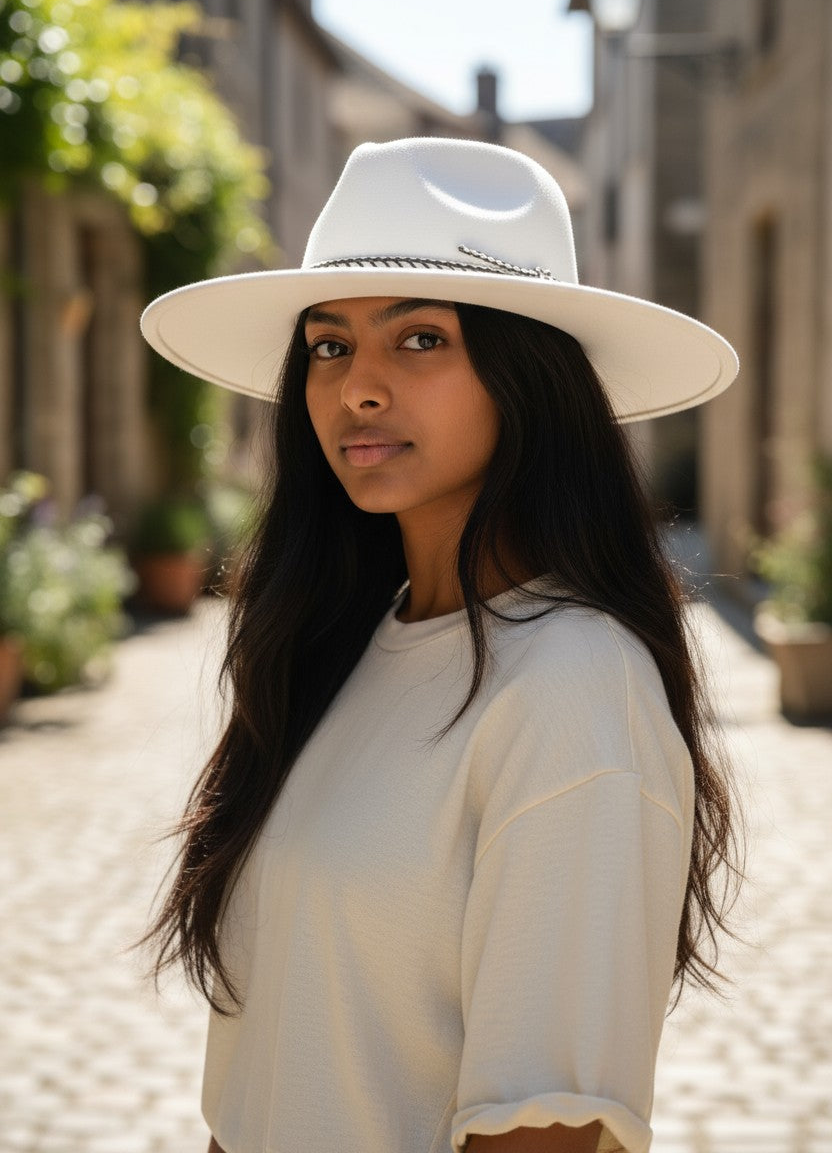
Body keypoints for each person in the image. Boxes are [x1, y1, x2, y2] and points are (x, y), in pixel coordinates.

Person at [141, 137, 742, 1153]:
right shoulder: (348, 645)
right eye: (328, 345)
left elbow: (542, 1132)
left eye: (418, 340)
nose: (355, 388)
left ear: (528, 381)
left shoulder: (574, 688)